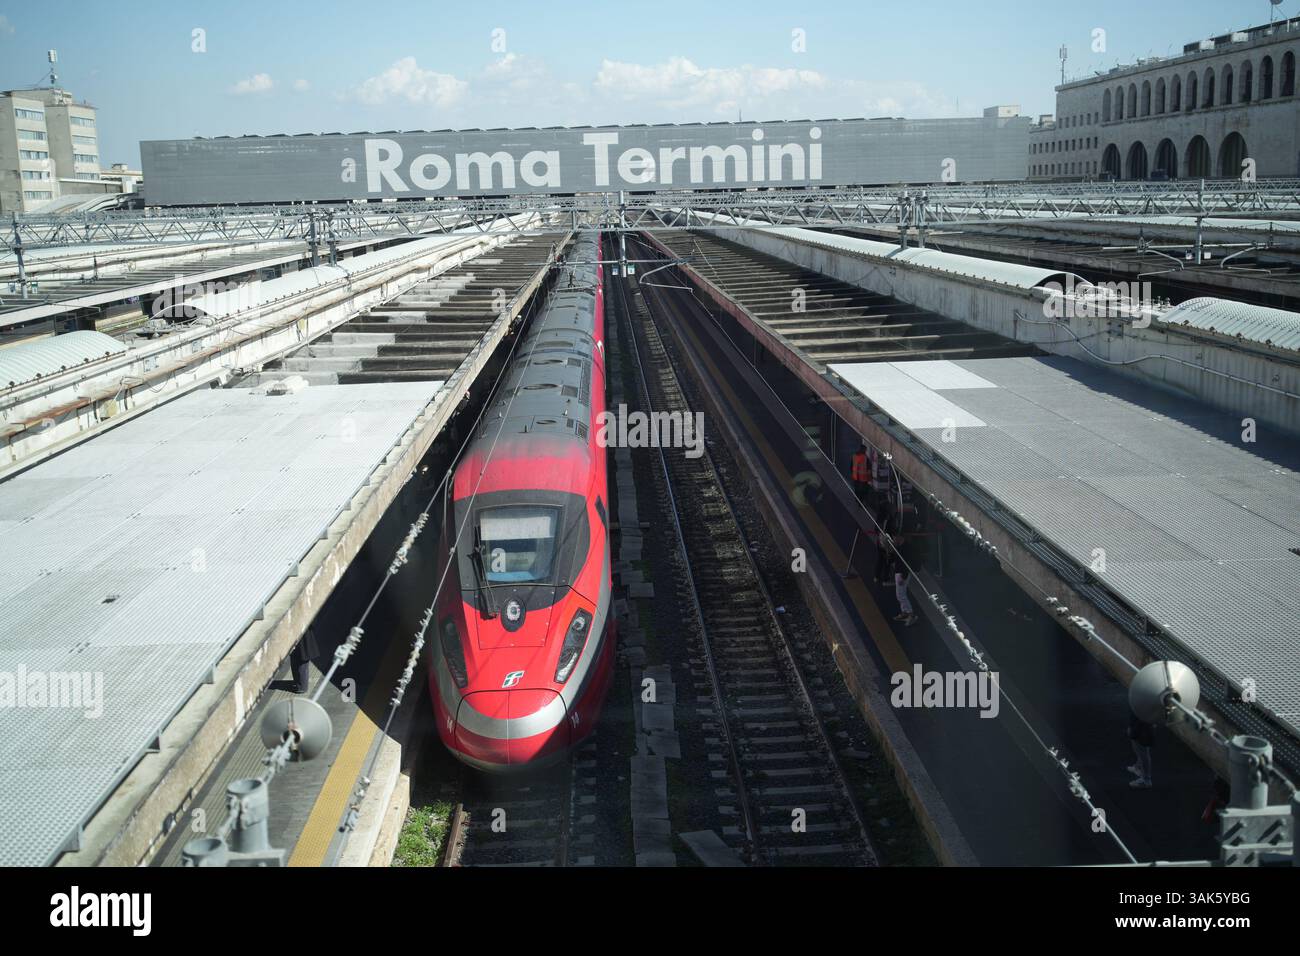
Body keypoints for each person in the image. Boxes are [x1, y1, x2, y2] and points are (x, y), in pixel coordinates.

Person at [1127, 713, 1154, 788]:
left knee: (1142, 751)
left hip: (1142, 725)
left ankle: (1146, 780)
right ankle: (1138, 767)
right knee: (1140, 749)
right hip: (1139, 723)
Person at [891, 553, 916, 627]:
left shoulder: (904, 549)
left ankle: (911, 614)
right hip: (899, 573)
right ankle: (905, 612)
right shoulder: (899, 547)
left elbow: (906, 563)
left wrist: (903, 577)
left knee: (901, 595)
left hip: (901, 574)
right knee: (901, 594)